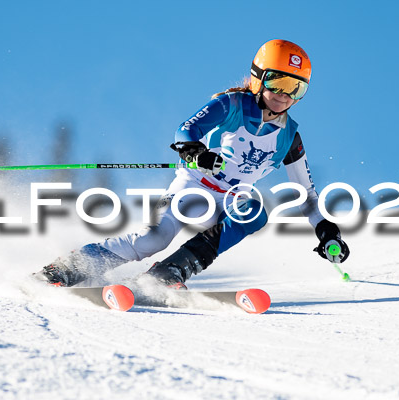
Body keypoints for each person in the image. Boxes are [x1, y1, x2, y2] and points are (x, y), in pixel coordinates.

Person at [37, 39, 350, 288]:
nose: (285, 95)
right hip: (192, 188)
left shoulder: (289, 137)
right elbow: (186, 130)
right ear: (258, 77)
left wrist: (327, 231)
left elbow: (306, 195)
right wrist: (196, 152)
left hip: (229, 201)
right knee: (153, 240)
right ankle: (66, 269)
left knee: (254, 213)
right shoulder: (231, 105)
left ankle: (168, 274)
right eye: (278, 82)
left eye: (296, 88)